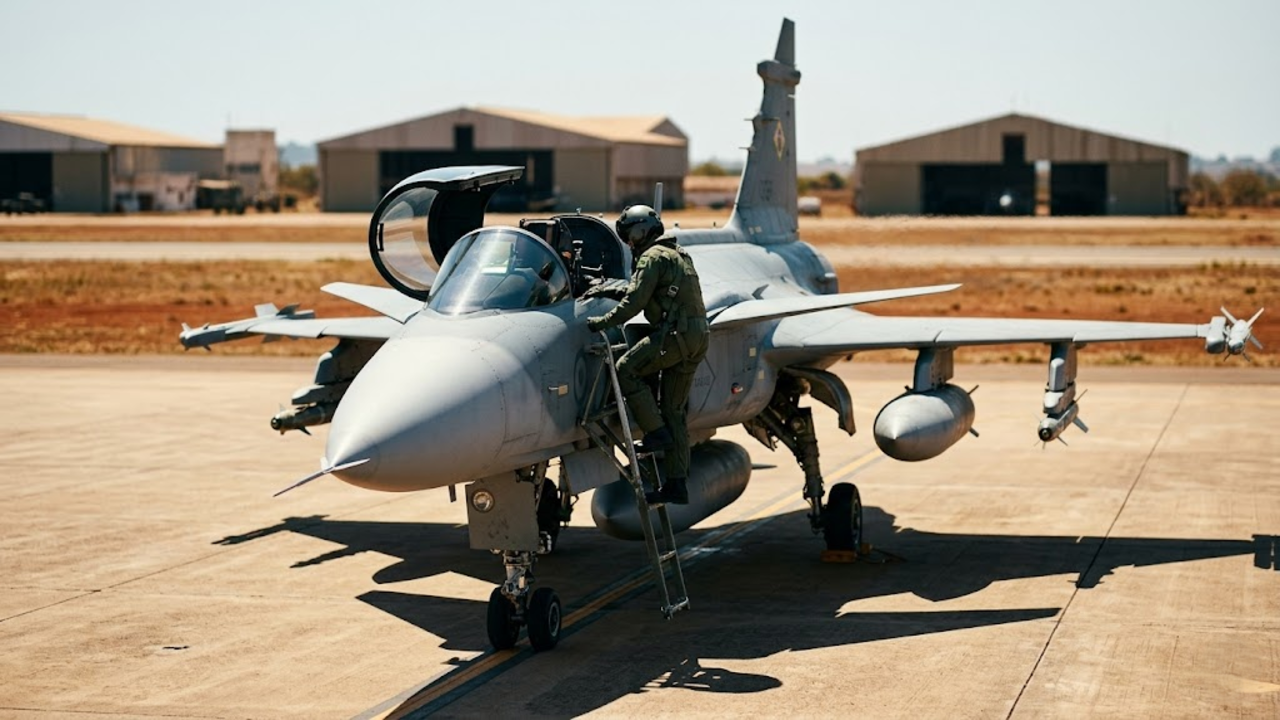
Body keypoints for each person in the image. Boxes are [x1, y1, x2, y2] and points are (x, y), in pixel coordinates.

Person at [585, 205, 708, 505]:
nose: (628, 242)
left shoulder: (651, 258)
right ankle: (677, 484)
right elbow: (647, 290)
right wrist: (611, 290)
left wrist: (600, 322)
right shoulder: (675, 253)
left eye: (629, 235)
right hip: (696, 338)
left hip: (674, 337)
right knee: (674, 410)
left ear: (640, 231)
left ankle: (656, 433)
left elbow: (635, 304)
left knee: (627, 369)